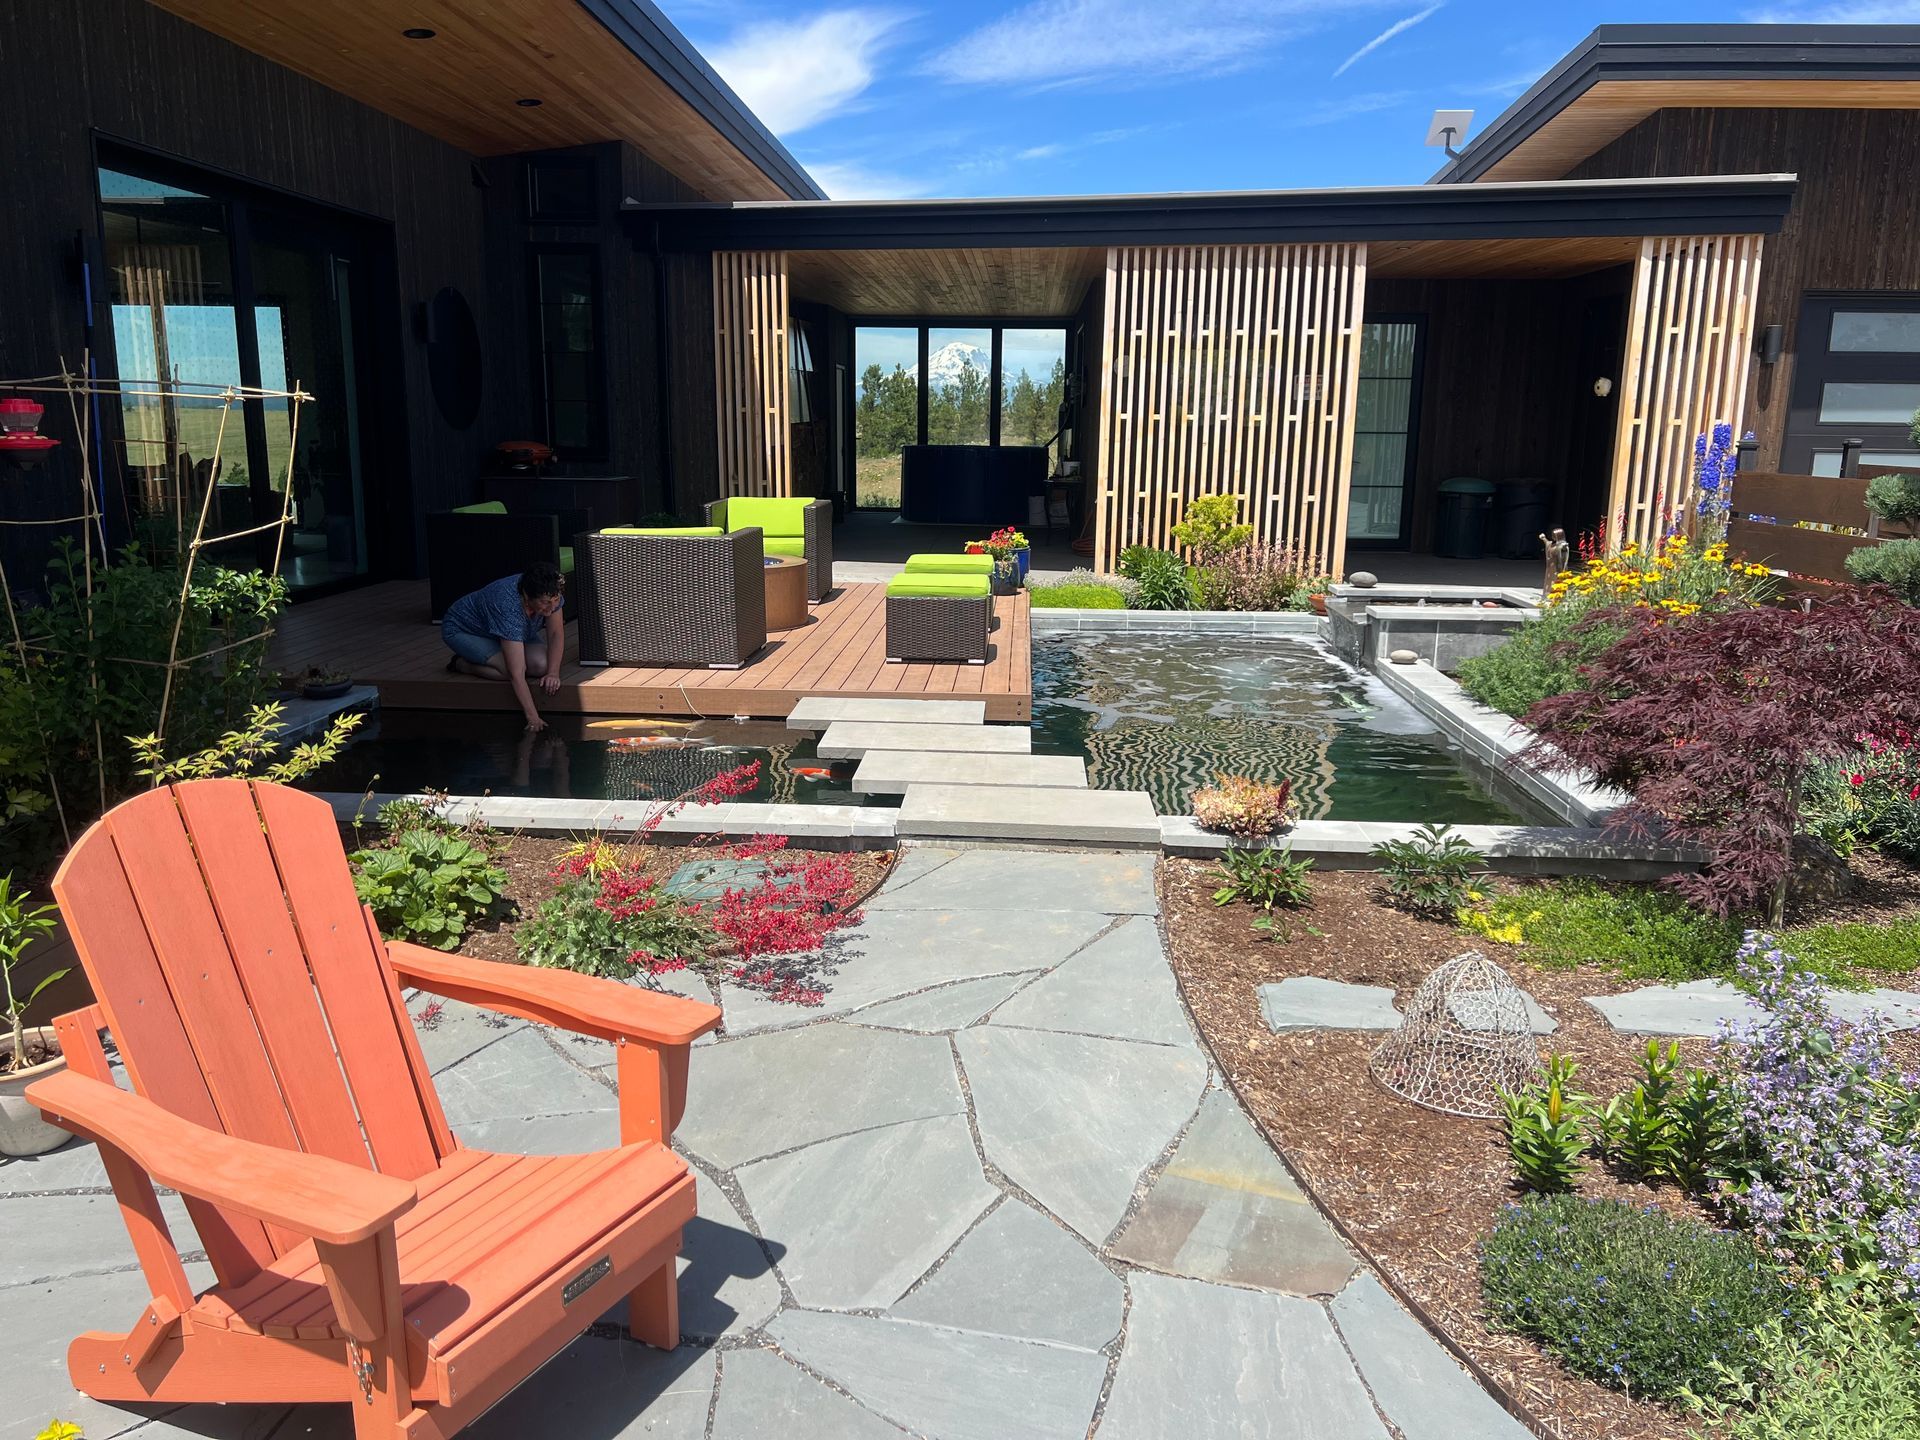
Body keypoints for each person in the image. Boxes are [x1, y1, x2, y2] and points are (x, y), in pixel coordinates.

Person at [442, 563, 565, 731]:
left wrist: (553, 673)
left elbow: (555, 634)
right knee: (508, 670)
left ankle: (490, 656)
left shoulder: (550, 590)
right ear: (527, 597)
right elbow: (517, 673)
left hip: (513, 632)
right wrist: (532, 717)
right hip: (464, 630)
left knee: (542, 665)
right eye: (545, 603)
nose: (552, 608)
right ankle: (464, 664)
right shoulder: (508, 605)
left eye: (556, 600)